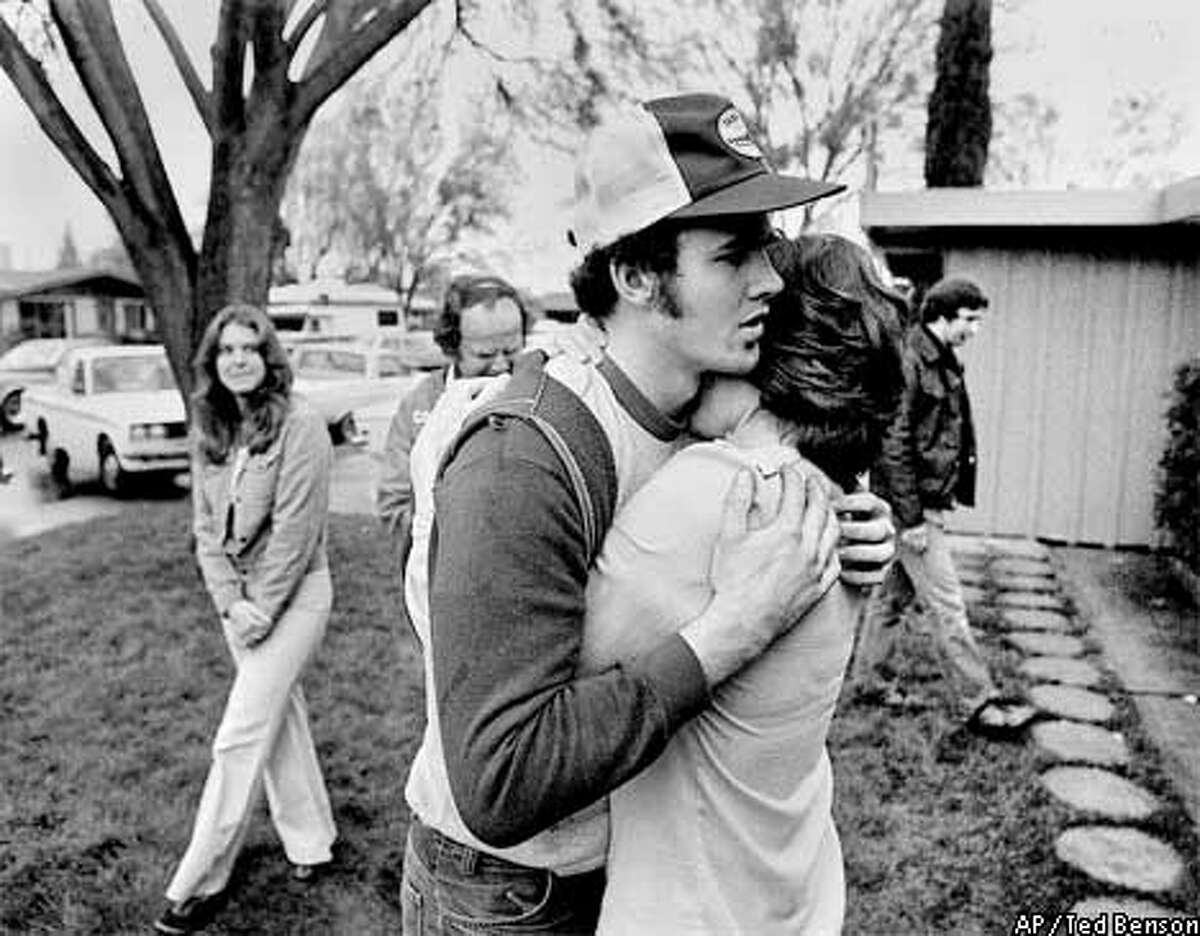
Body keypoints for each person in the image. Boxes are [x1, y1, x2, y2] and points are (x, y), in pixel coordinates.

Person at [399, 92, 897, 934]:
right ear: (635, 276)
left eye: (769, 247)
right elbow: (501, 781)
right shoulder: (523, 458)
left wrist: (850, 523)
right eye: (735, 254)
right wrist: (737, 626)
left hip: (627, 872)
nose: (773, 279)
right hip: (511, 892)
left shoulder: (708, 422)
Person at [581, 232, 907, 934]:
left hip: (690, 910)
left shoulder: (716, 490)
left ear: (764, 344)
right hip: (790, 885)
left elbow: (547, 697)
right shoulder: (832, 489)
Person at [155, 304, 337, 935]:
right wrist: (231, 601)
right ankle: (312, 841)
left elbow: (295, 532)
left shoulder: (301, 424)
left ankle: (199, 878)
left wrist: (261, 606)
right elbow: (205, 530)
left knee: (238, 737)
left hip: (295, 600)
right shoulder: (208, 425)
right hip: (241, 605)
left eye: (249, 349)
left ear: (268, 359)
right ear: (213, 361)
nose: (237, 359)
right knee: (278, 720)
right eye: (226, 349)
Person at [851, 277, 1036, 739]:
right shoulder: (912, 359)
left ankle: (868, 682)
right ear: (942, 315)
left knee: (891, 599)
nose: (975, 329)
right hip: (909, 509)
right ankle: (981, 703)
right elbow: (892, 444)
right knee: (948, 605)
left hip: (919, 503)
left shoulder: (939, 356)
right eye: (970, 319)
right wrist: (911, 519)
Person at [376, 275, 528, 567]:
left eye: (511, 351)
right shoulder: (419, 406)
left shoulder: (540, 394)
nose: (499, 365)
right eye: (483, 354)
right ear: (453, 345)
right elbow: (392, 505)